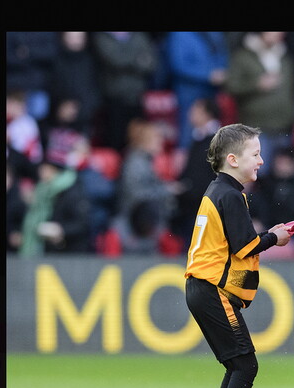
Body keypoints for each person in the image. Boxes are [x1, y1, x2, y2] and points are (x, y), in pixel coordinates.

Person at [184, 123, 291, 388]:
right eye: (255, 154)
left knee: (237, 365)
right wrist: (276, 237)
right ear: (232, 159)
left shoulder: (220, 190)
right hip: (211, 288)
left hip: (203, 288)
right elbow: (246, 246)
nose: (261, 160)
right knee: (246, 365)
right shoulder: (230, 194)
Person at [224, 32, 294, 178]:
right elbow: (231, 86)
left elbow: (292, 90)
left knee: (283, 176)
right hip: (256, 127)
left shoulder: (285, 57)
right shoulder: (243, 56)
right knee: (257, 174)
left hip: (284, 125)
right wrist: (256, 84)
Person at [110, 118, 180, 254]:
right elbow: (137, 195)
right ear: (146, 141)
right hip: (134, 226)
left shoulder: (144, 161)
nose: (161, 143)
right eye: (157, 139)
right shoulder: (136, 163)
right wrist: (166, 191)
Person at [92, 32, 159, 152]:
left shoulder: (140, 36)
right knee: (115, 141)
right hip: (114, 98)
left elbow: (151, 63)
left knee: (138, 141)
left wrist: (125, 59)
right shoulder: (102, 37)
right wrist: (137, 59)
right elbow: (115, 59)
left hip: (136, 97)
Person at [162, 32, 229, 151]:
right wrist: (208, 75)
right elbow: (178, 64)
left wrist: (221, 71)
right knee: (187, 133)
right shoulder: (179, 35)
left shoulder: (215, 34)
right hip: (188, 92)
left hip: (212, 91)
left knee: (212, 133)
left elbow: (222, 54)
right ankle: (185, 165)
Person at [171, 97, 223, 247]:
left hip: (204, 204)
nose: (191, 113)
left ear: (207, 114)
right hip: (192, 202)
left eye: (196, 110)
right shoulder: (198, 138)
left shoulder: (219, 141)